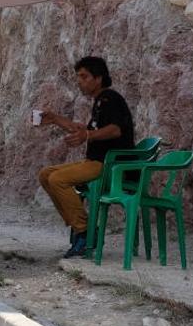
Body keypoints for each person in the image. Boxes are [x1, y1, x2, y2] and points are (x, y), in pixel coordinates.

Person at [37, 56, 134, 258]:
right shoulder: (100, 101)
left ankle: (84, 231)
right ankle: (79, 225)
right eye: (78, 77)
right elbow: (83, 130)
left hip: (108, 164)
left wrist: (87, 135)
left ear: (98, 78)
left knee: (58, 179)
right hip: (95, 162)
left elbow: (115, 130)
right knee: (45, 174)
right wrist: (55, 119)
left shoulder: (110, 99)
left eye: (84, 76)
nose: (80, 81)